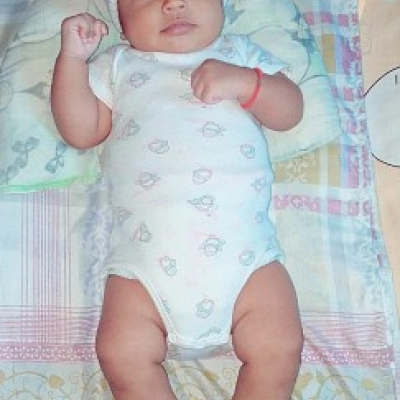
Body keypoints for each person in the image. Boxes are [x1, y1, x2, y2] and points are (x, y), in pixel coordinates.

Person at [51, 0, 304, 399]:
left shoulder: (238, 52)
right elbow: (80, 131)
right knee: (120, 351)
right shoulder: (117, 65)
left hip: (245, 261)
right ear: (121, 22)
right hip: (144, 267)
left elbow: (290, 112)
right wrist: (72, 60)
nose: (172, 4)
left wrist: (248, 83)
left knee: (280, 346)